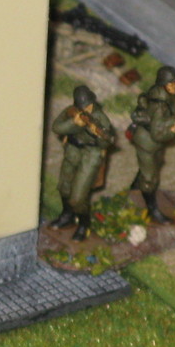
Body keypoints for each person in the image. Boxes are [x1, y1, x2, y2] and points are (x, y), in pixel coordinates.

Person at [51, 85, 115, 241]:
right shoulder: (72, 111)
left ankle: (84, 224)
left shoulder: (101, 119)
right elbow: (56, 127)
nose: (86, 108)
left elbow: (106, 142)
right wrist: (74, 123)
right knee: (64, 187)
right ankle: (67, 215)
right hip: (72, 151)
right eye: (83, 106)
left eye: (88, 105)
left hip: (90, 155)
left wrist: (97, 134)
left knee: (78, 197)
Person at [128, 65, 175, 224]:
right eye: (172, 84)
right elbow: (157, 134)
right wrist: (174, 130)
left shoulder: (162, 96)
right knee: (150, 179)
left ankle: (134, 190)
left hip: (152, 143)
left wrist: (174, 120)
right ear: (164, 84)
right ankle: (152, 210)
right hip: (148, 143)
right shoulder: (159, 105)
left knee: (152, 166)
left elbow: (161, 120)